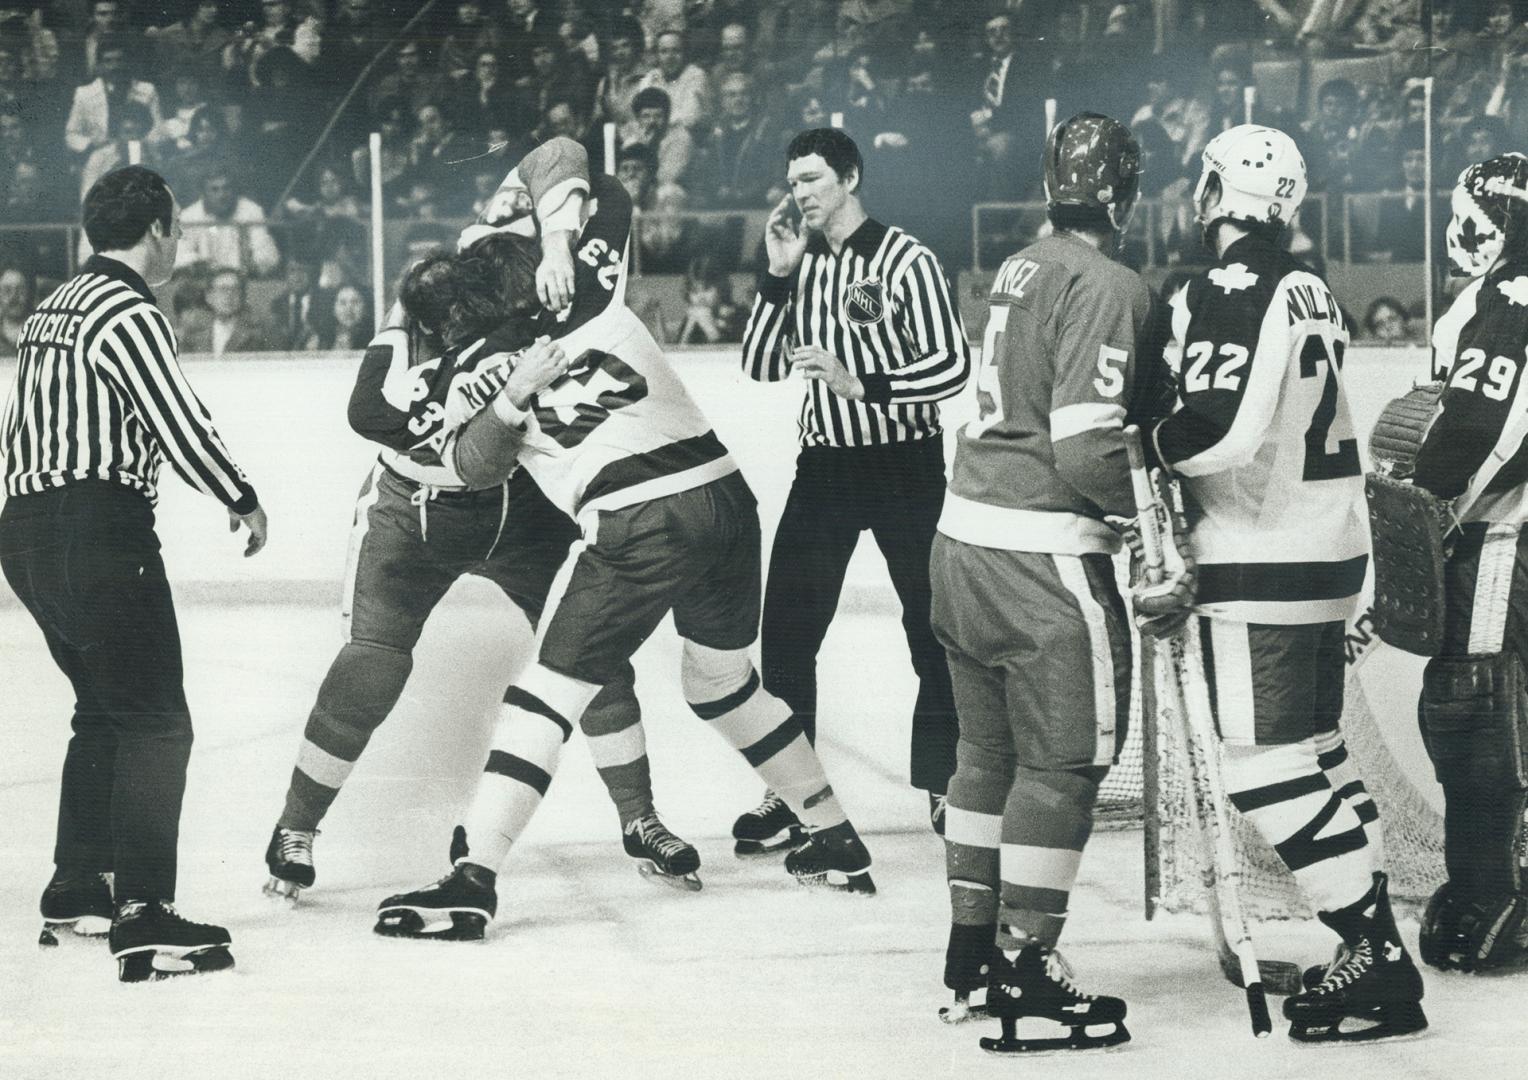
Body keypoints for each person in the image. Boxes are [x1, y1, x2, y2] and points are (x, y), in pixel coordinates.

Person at [372, 156, 877, 941]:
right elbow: (577, 167)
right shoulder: (588, 287)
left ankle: (475, 877)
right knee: (720, 682)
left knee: (546, 696)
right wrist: (560, 241)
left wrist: (506, 398)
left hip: (637, 516)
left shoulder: (469, 366)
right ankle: (834, 835)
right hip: (725, 500)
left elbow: (472, 468)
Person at [264, 139, 703, 901]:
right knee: (373, 664)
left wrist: (559, 238)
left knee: (589, 652)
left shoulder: (524, 257)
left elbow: (571, 159)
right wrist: (491, 398)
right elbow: (387, 419)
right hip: (422, 510)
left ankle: (639, 817)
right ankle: (296, 823)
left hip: (521, 508)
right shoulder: (415, 338)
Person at [1145, 125, 1426, 1042]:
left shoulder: (1227, 284)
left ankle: (1372, 946)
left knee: (1260, 766)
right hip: (1326, 549)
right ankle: (1367, 920)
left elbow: (1218, 427)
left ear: (1217, 190)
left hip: (1258, 555)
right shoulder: (1312, 285)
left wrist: (1146, 444)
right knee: (1316, 748)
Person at [0, 165, 268, 982]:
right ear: (155, 231)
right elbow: (174, 412)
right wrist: (240, 493)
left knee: (105, 710)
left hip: (24, 532)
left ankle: (78, 883)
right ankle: (145, 911)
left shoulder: (52, 305)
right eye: (177, 230)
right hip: (99, 531)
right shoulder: (127, 309)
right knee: (157, 718)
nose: (179, 245)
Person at [930, 113, 1158, 1054]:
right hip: (1043, 557)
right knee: (1063, 766)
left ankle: (973, 956)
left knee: (986, 758)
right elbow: (1085, 439)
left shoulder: (1021, 264)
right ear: (1129, 193)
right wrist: (1145, 515)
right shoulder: (1110, 283)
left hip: (962, 542)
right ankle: (1029, 971)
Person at [737, 127, 969, 851]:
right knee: (786, 637)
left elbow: (952, 367)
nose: (799, 194)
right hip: (827, 469)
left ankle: (946, 783)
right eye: (793, 181)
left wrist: (861, 382)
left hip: (905, 466)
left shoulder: (907, 259)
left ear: (850, 178)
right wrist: (776, 275)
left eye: (811, 179)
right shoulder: (799, 264)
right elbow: (758, 366)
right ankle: (795, 795)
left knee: (930, 632)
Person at [1396, 153, 1528, 974]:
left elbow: (1477, 431)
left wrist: (1424, 500)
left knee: (1469, 708)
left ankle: (1490, 895)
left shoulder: (1505, 301)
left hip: (1502, 540)